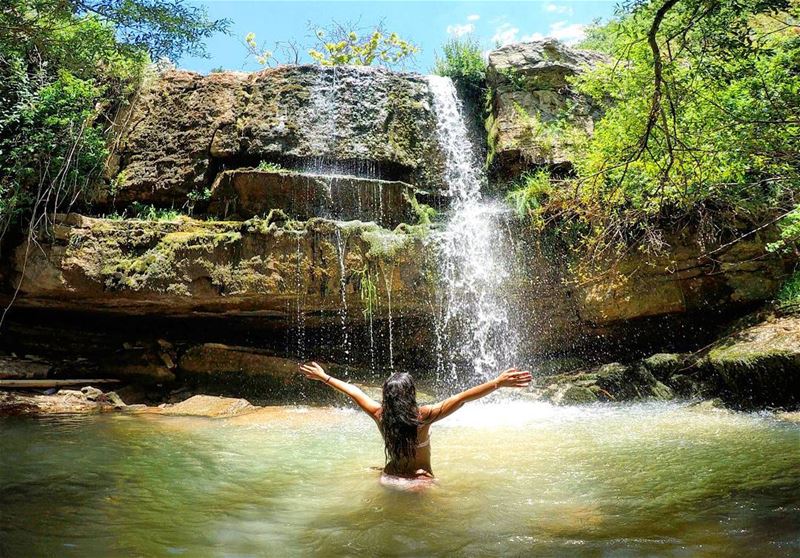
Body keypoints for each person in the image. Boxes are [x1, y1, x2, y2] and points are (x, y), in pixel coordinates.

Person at [299, 362, 532, 490]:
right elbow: (462, 397)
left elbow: (355, 392)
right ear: (411, 394)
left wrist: (325, 377)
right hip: (420, 482)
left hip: (389, 477)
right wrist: (497, 383)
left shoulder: (380, 415)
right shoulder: (424, 416)